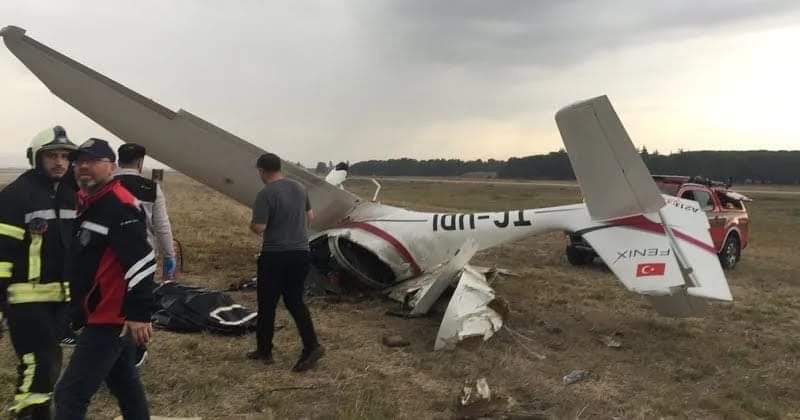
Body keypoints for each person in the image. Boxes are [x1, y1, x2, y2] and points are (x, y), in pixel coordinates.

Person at [54, 138, 156, 419]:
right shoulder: (89, 201)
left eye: (93, 161)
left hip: (109, 318)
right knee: (124, 385)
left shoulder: (118, 206)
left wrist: (139, 313)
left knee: (69, 396)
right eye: (80, 162)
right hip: (100, 314)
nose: (83, 167)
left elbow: (142, 260)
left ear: (111, 166)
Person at [0, 126, 78, 419]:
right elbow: (1, 253)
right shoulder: (15, 196)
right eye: (51, 156)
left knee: (47, 364)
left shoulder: (71, 195)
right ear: (36, 158)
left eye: (64, 156)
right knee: (40, 364)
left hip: (59, 299)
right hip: (24, 301)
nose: (59, 162)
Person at [249, 152, 324, 372]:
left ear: (262, 171)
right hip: (301, 253)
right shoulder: (300, 188)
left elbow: (259, 228)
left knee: (267, 303)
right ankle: (311, 346)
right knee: (294, 301)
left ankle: (265, 350)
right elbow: (311, 217)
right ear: (279, 168)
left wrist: (253, 225)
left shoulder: (265, 194)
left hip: (275, 255)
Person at [114, 143, 177, 281]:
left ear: (119, 162)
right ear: (140, 162)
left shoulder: (107, 186)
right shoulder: (152, 189)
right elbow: (162, 226)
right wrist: (169, 255)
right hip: (144, 256)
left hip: (112, 256)